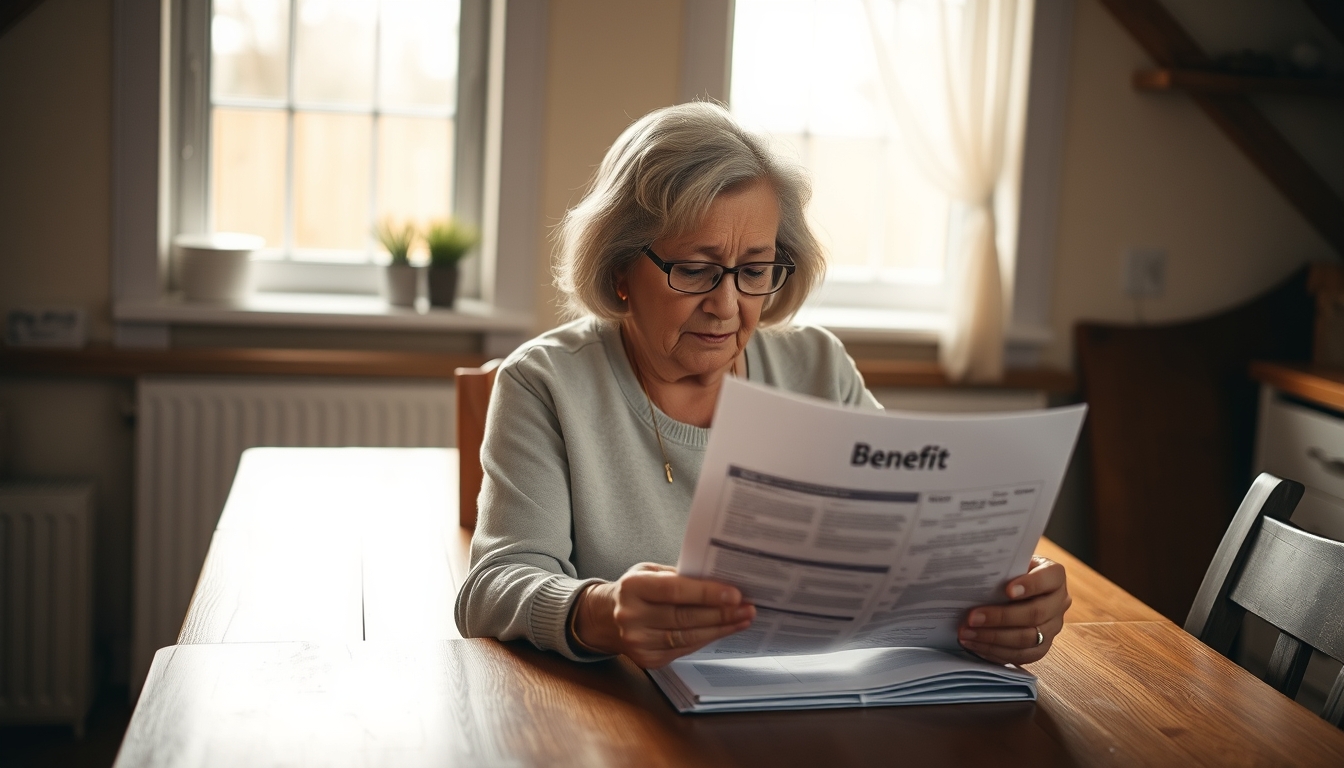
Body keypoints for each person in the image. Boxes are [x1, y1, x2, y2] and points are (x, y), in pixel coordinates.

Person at [454, 102, 1070, 670]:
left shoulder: (817, 368)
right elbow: (494, 585)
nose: (726, 305)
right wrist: (603, 612)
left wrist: (1006, 596)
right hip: (624, 717)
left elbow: (911, 540)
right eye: (694, 271)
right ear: (619, 270)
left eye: (754, 270)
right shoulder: (545, 383)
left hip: (818, 704)